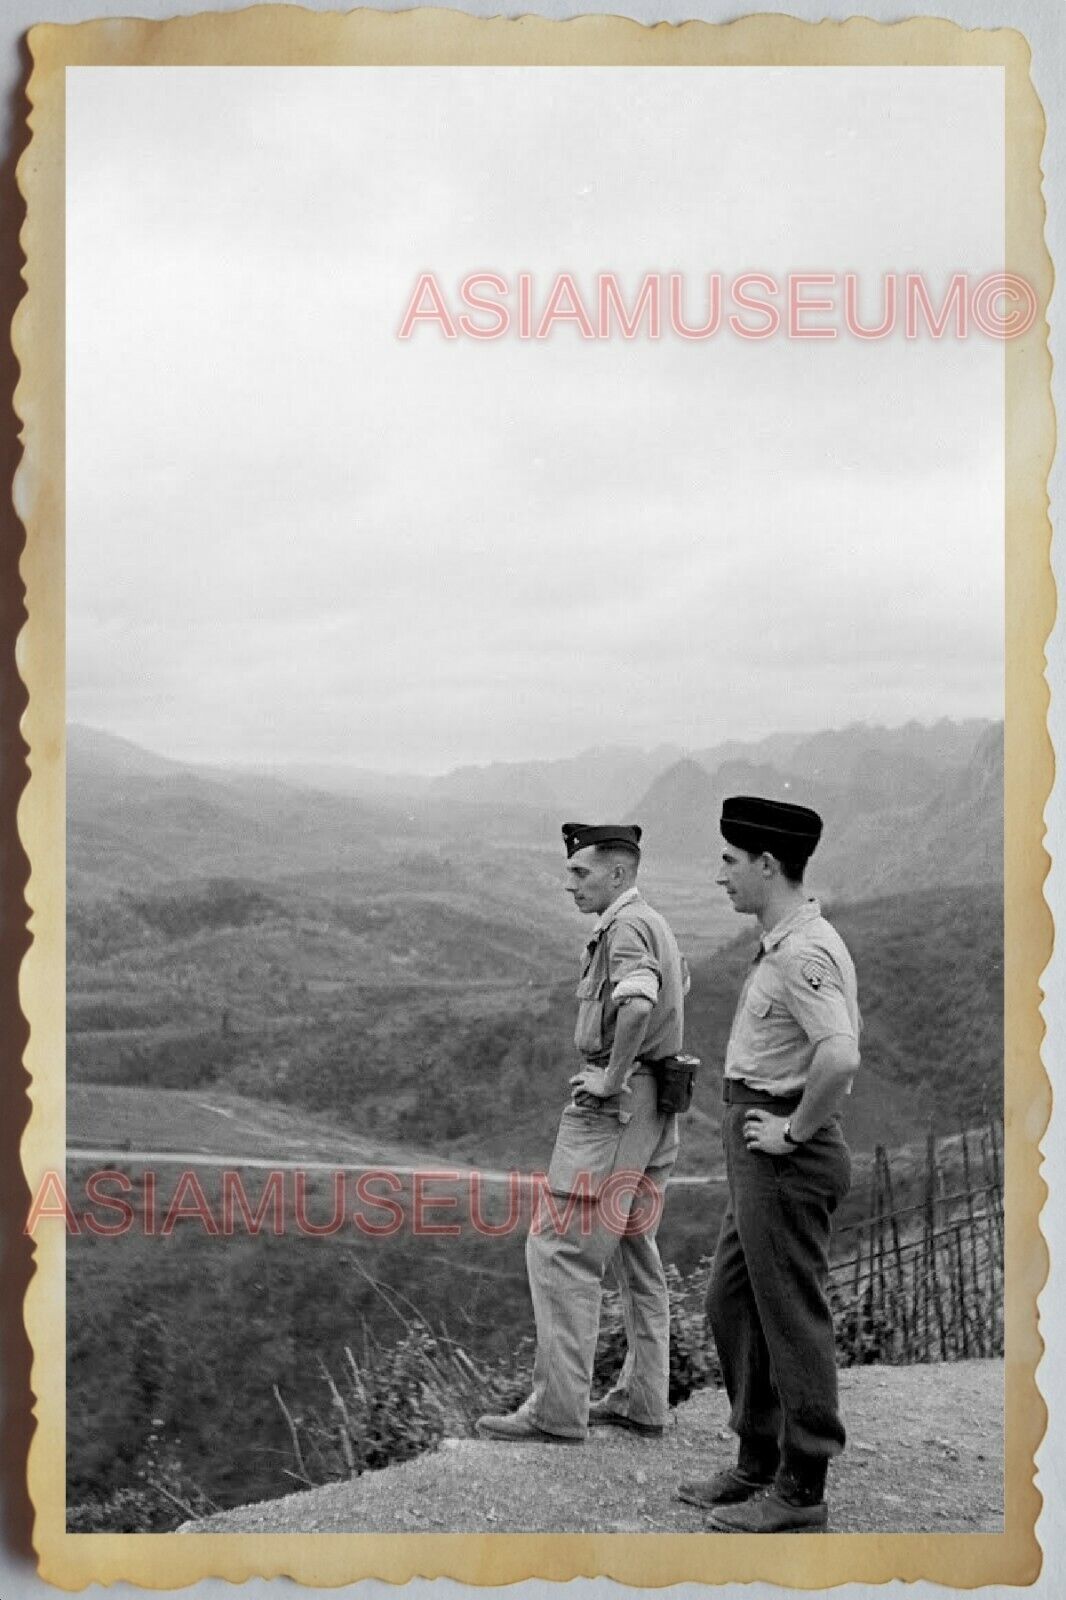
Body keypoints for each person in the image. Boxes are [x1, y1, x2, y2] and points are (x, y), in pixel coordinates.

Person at [677, 795, 860, 1532]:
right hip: (758, 1150)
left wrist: (792, 1132)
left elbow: (840, 1054)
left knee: (788, 1313)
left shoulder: (805, 951)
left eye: (729, 861)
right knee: (730, 1299)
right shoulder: (782, 941)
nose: (720, 874)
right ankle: (757, 1458)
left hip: (784, 1155)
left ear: (766, 864)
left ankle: (803, 1487)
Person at [477, 821, 689, 1443]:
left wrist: (609, 1077)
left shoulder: (624, 928)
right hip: (656, 1106)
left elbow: (639, 1001)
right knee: (631, 1248)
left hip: (617, 1107)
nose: (569, 884)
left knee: (560, 1249)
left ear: (618, 874)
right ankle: (643, 1400)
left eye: (580, 872)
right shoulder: (652, 922)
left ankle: (557, 1411)